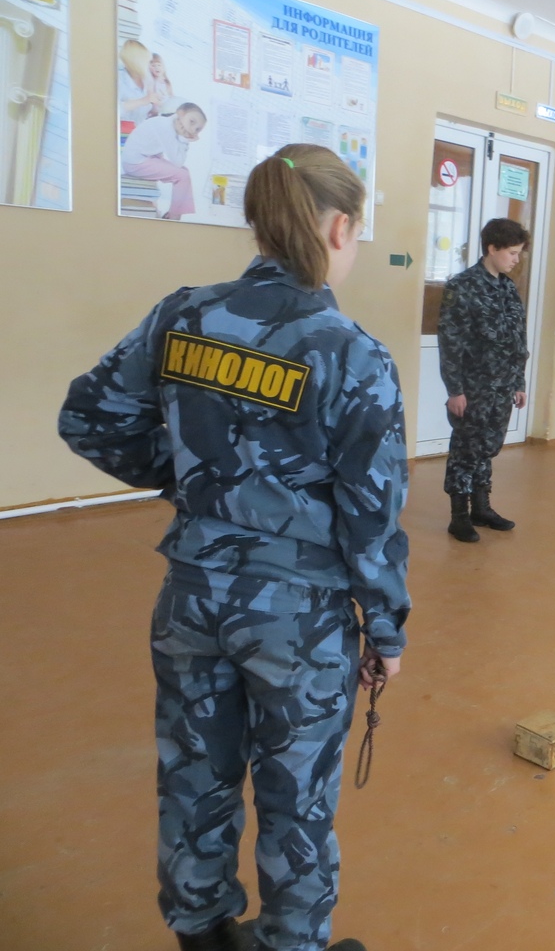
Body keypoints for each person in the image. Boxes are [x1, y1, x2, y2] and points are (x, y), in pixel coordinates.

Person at [57, 144, 407, 951]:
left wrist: (191, 483)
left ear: (259, 222)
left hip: (191, 598)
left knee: (193, 776)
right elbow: (372, 516)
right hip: (300, 619)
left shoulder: (184, 315)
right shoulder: (352, 353)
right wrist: (386, 630)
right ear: (340, 226)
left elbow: (89, 418)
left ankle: (204, 933)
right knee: (297, 800)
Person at [439, 217, 531, 542]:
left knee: (487, 448)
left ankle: (481, 506)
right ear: (492, 248)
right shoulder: (461, 287)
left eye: (519, 253)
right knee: (466, 449)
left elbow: (518, 340)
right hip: (472, 388)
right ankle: (459, 516)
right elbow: (450, 343)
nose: (516, 259)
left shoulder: (508, 289)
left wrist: (518, 382)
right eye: (512, 252)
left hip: (502, 387)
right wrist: (455, 391)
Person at [120, 103, 206, 221]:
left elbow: (178, 161)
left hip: (145, 158)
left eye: (197, 129)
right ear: (180, 114)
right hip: (135, 163)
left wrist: (183, 138)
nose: (192, 129)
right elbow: (178, 161)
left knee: (183, 172)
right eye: (191, 121)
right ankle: (175, 215)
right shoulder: (166, 127)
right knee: (182, 175)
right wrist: (185, 140)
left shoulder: (167, 123)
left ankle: (174, 212)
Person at [119, 38, 164, 126]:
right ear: (137, 62)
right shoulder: (118, 80)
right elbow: (111, 112)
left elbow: (149, 111)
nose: (151, 67)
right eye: (148, 62)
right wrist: (143, 100)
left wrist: (155, 107)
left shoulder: (147, 79)